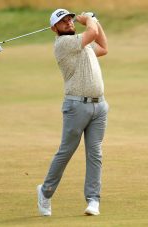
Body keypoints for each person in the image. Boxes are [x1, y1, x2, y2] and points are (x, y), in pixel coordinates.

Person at [37, 8, 109, 216]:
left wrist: (95, 21)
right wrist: (89, 20)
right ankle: (45, 191)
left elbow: (103, 47)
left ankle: (93, 200)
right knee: (66, 152)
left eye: (69, 19)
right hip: (76, 106)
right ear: (54, 29)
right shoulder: (64, 44)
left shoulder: (82, 44)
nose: (68, 22)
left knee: (95, 153)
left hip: (99, 106)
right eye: (63, 21)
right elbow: (92, 34)